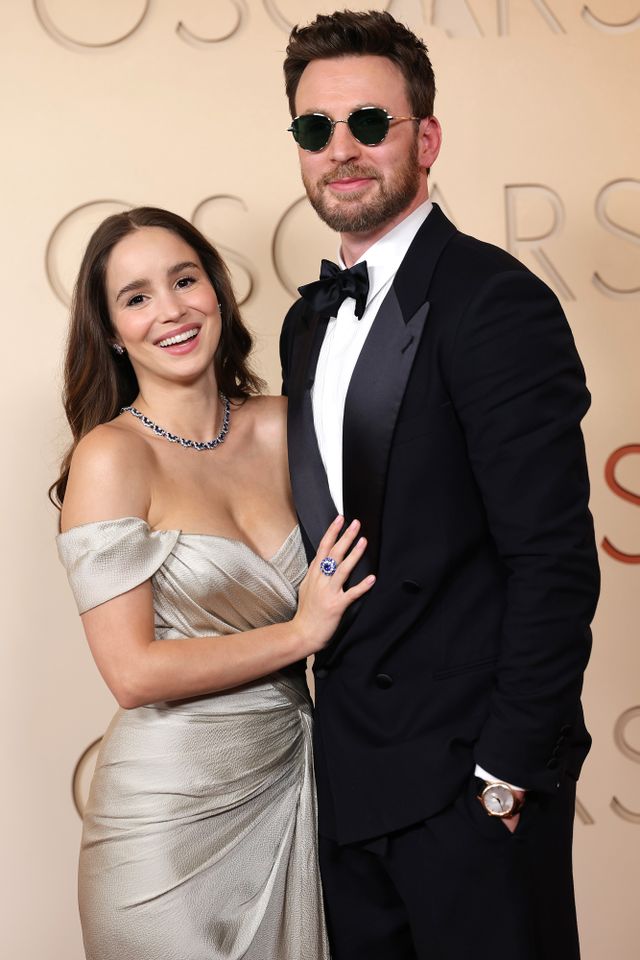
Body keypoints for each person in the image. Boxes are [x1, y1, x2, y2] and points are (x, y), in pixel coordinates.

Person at [279, 10, 600, 960]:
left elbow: (552, 562)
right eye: (315, 129)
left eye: (369, 123)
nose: (342, 150)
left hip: (471, 789)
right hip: (352, 782)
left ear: (426, 137)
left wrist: (504, 778)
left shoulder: (493, 301)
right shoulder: (308, 325)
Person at [52, 206, 374, 960]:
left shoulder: (289, 425)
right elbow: (132, 674)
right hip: (166, 828)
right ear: (109, 329)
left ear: (218, 292)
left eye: (185, 279)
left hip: (300, 786)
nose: (170, 310)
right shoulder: (111, 457)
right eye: (136, 297)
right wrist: (299, 632)